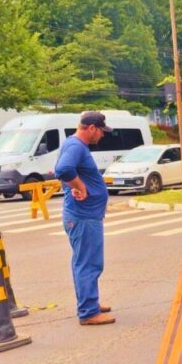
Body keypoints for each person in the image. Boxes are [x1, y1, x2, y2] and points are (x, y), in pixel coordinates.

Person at [54, 111, 115, 326]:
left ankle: (91, 303)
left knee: (87, 262)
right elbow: (62, 170)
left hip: (84, 215)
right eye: (101, 131)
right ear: (91, 128)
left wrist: (78, 186)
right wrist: (80, 187)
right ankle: (88, 312)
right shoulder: (76, 146)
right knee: (88, 264)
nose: (102, 136)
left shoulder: (74, 145)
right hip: (83, 216)